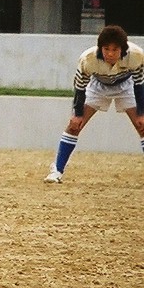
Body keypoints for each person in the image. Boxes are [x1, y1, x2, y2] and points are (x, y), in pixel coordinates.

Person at [46, 25, 144, 183]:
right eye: (106, 49)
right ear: (100, 48)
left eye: (115, 49)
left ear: (123, 49)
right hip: (98, 85)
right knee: (74, 126)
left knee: (142, 126)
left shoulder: (136, 55)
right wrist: (77, 114)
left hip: (126, 85)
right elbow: (79, 87)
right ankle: (57, 170)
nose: (110, 54)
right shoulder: (88, 59)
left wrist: (141, 112)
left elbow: (139, 84)